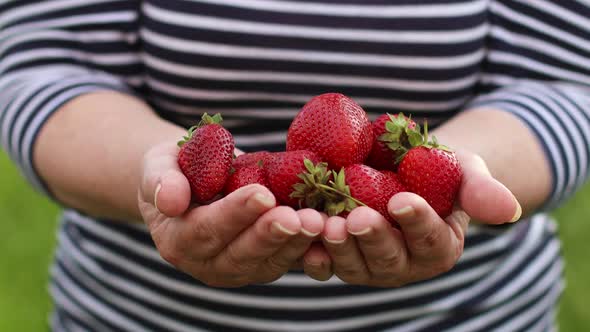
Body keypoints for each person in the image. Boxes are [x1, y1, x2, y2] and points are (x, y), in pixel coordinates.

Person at [1, 0, 588, 331]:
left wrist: (458, 174)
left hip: (470, 317)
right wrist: (157, 173)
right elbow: (45, 62)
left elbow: (565, 82)